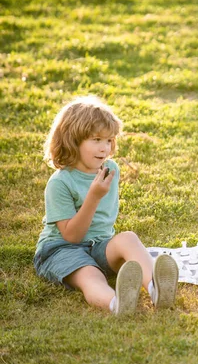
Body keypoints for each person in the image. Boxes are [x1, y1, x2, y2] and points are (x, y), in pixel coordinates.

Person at [34, 96, 179, 315]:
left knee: (128, 238)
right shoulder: (60, 183)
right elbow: (71, 236)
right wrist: (93, 197)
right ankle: (116, 303)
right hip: (61, 250)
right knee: (91, 275)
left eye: (109, 140)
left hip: (98, 244)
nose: (105, 148)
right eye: (96, 139)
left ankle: (155, 288)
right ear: (73, 140)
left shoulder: (110, 169)